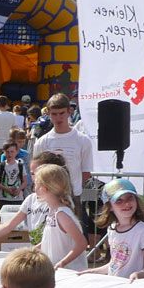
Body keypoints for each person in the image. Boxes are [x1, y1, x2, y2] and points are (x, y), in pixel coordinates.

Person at [0, 164, 86, 269]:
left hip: (70, 274)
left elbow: (82, 243)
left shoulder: (62, 215)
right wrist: (27, 252)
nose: (33, 186)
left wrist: (62, 263)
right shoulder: (53, 211)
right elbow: (52, 241)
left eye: (36, 183)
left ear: (44, 189)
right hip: (57, 273)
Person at [33, 94, 96, 229]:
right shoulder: (42, 142)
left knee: (75, 235)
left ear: (69, 111)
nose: (58, 118)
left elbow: (86, 172)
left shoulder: (82, 140)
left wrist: (73, 190)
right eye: (54, 114)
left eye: (62, 113)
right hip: (48, 196)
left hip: (74, 196)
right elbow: (36, 171)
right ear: (49, 114)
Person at [82, 179, 144, 281]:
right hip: (116, 285)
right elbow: (114, 264)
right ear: (110, 206)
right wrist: (92, 271)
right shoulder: (111, 229)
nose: (126, 204)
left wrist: (138, 274)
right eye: (119, 201)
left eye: (130, 198)